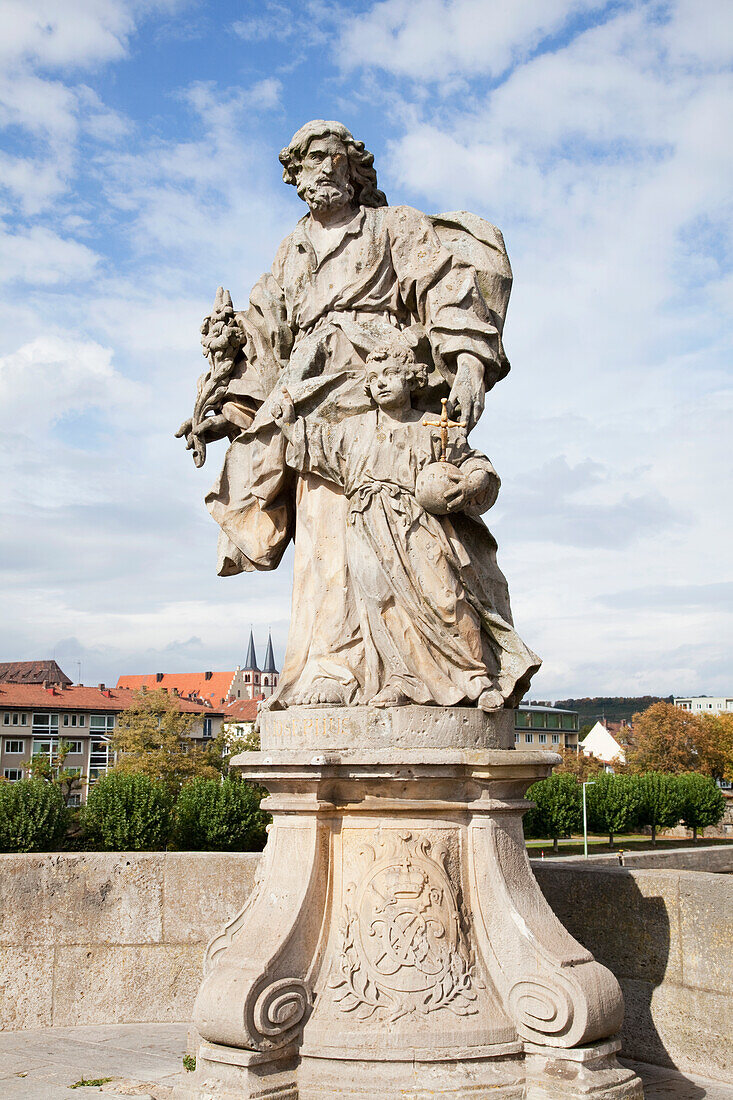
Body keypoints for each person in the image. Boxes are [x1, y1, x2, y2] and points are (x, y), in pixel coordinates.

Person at [178, 119, 532, 709]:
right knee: (326, 541)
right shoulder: (291, 251)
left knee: (395, 534)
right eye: (309, 161)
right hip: (311, 411)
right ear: (295, 177)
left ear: (353, 166)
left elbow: (449, 288)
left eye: (331, 157)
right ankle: (332, 671)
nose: (321, 169)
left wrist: (468, 365)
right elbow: (267, 341)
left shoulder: (393, 229)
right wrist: (230, 409)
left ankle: (416, 675)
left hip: (379, 393)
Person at [270, 334, 540, 709]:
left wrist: (473, 480)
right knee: (382, 605)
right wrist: (289, 424)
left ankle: (477, 677)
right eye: (375, 376)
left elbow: (476, 465)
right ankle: (401, 679)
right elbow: (315, 448)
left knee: (447, 597)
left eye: (391, 373)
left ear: (412, 380)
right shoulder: (353, 429)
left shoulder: (434, 426)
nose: (381, 381)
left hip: (417, 525)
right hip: (365, 525)